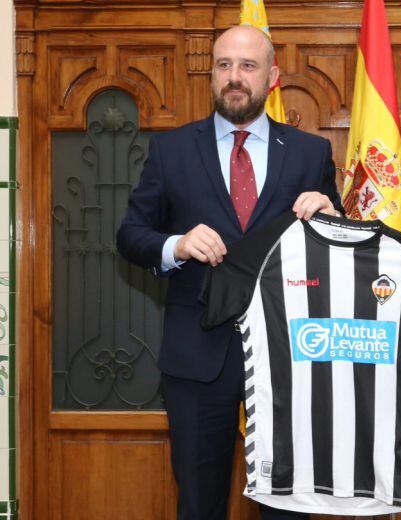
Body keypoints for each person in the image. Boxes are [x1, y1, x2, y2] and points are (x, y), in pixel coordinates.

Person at [117, 25, 342, 520]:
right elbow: (129, 235)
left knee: (290, 504)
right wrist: (175, 244)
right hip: (198, 356)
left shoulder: (310, 153)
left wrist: (331, 214)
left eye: (247, 66)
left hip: (290, 358)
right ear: (212, 74)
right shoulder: (171, 150)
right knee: (199, 502)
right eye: (224, 65)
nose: (234, 77)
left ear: (271, 77)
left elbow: (340, 248)